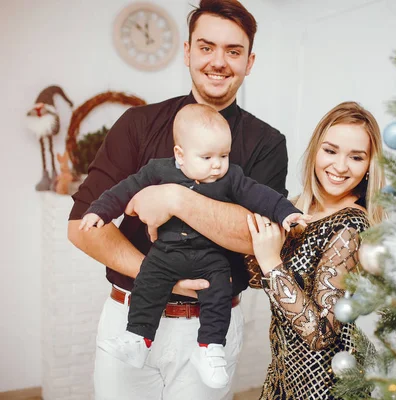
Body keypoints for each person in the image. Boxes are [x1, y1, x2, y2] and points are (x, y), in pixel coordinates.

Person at [67, 1, 287, 398]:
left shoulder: (267, 144)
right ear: (187, 51)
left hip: (212, 330)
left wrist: (173, 197)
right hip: (129, 318)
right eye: (206, 47)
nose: (219, 61)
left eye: (233, 51)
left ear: (249, 62)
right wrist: (163, 276)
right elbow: (81, 227)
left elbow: (256, 240)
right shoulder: (136, 124)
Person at [79, 104, 308, 389]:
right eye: (208, 157)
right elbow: (123, 189)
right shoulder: (158, 170)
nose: (217, 165)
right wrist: (99, 212)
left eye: (224, 156)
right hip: (166, 253)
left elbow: (262, 196)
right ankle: (138, 338)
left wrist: (286, 212)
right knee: (148, 280)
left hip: (211, 258)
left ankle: (210, 348)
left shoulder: (231, 176)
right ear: (180, 155)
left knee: (219, 290)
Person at [246, 101, 385, 399]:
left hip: (323, 389)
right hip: (284, 380)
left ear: (369, 167)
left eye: (356, 157)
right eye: (331, 151)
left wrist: (271, 261)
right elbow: (255, 276)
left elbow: (322, 333)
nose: (340, 166)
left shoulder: (350, 225)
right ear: (315, 152)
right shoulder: (299, 210)